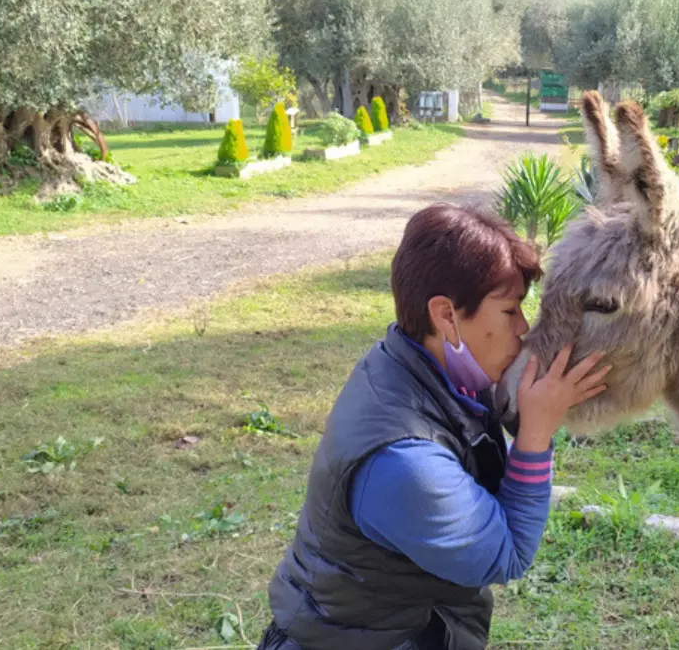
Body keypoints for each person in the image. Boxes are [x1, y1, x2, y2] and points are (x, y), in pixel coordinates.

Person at [256, 203, 609, 650]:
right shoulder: (407, 465)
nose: (523, 329)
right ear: (446, 316)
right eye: (509, 310)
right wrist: (536, 434)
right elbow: (507, 553)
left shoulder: (409, 359)